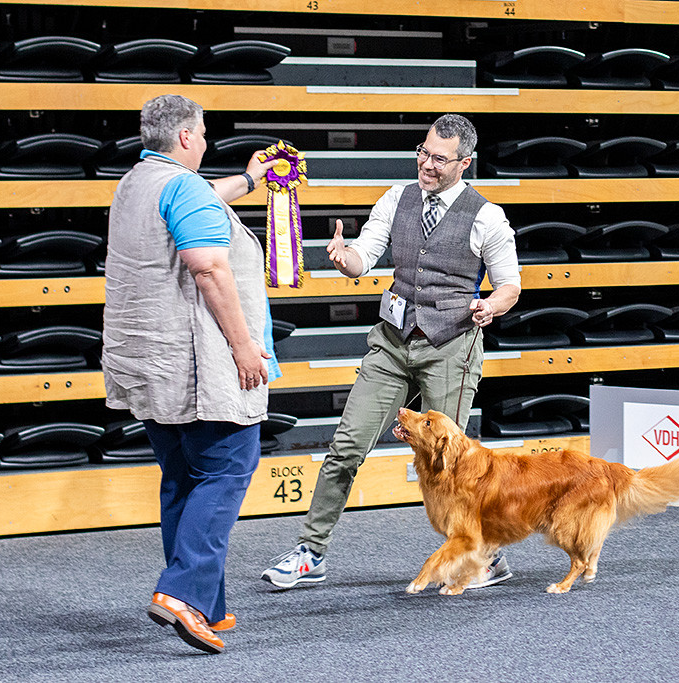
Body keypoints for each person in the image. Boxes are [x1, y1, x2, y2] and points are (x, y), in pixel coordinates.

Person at [261, 114, 521, 590]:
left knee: (452, 464)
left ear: (464, 163)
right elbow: (365, 255)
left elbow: (510, 285)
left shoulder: (486, 215)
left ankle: (487, 556)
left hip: (451, 346)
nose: (426, 164)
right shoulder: (395, 199)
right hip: (393, 342)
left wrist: (491, 306)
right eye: (423, 152)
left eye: (439, 159)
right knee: (346, 445)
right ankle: (310, 552)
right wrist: (345, 260)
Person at [102, 94, 278, 654]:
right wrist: (245, 346)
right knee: (228, 468)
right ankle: (181, 593)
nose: (204, 141)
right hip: (198, 364)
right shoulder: (181, 188)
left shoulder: (138, 182)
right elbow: (208, 267)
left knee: (182, 476)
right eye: (201, 133)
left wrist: (250, 181)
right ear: (185, 137)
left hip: (150, 365)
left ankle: (208, 602)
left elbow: (199, 197)